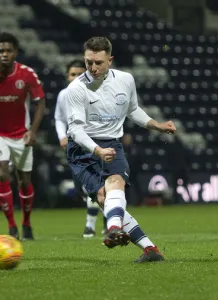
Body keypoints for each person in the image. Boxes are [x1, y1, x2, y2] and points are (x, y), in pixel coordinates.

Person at [65, 36, 176, 262]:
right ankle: (150, 249)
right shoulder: (76, 89)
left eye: (98, 63)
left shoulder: (126, 80)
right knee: (104, 197)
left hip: (112, 144)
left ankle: (114, 228)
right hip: (83, 149)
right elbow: (76, 131)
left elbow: (133, 110)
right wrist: (97, 151)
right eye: (88, 62)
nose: (92, 68)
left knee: (116, 183)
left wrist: (157, 125)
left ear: (110, 60)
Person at [0, 32, 45, 240]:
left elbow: (40, 102)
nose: (4, 54)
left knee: (24, 180)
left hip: (21, 134)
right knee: (2, 175)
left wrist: (33, 131)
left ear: (15, 52)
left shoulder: (26, 74)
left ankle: (26, 222)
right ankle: (11, 226)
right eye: (1, 51)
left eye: (8, 50)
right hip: (0, 134)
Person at [54, 59, 105, 238]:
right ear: (67, 77)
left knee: (92, 184)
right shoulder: (63, 95)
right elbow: (59, 118)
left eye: (79, 74)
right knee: (82, 187)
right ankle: (107, 215)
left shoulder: (94, 93)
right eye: (72, 74)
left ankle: (90, 226)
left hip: (93, 143)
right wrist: (62, 136)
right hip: (75, 146)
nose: (75, 77)